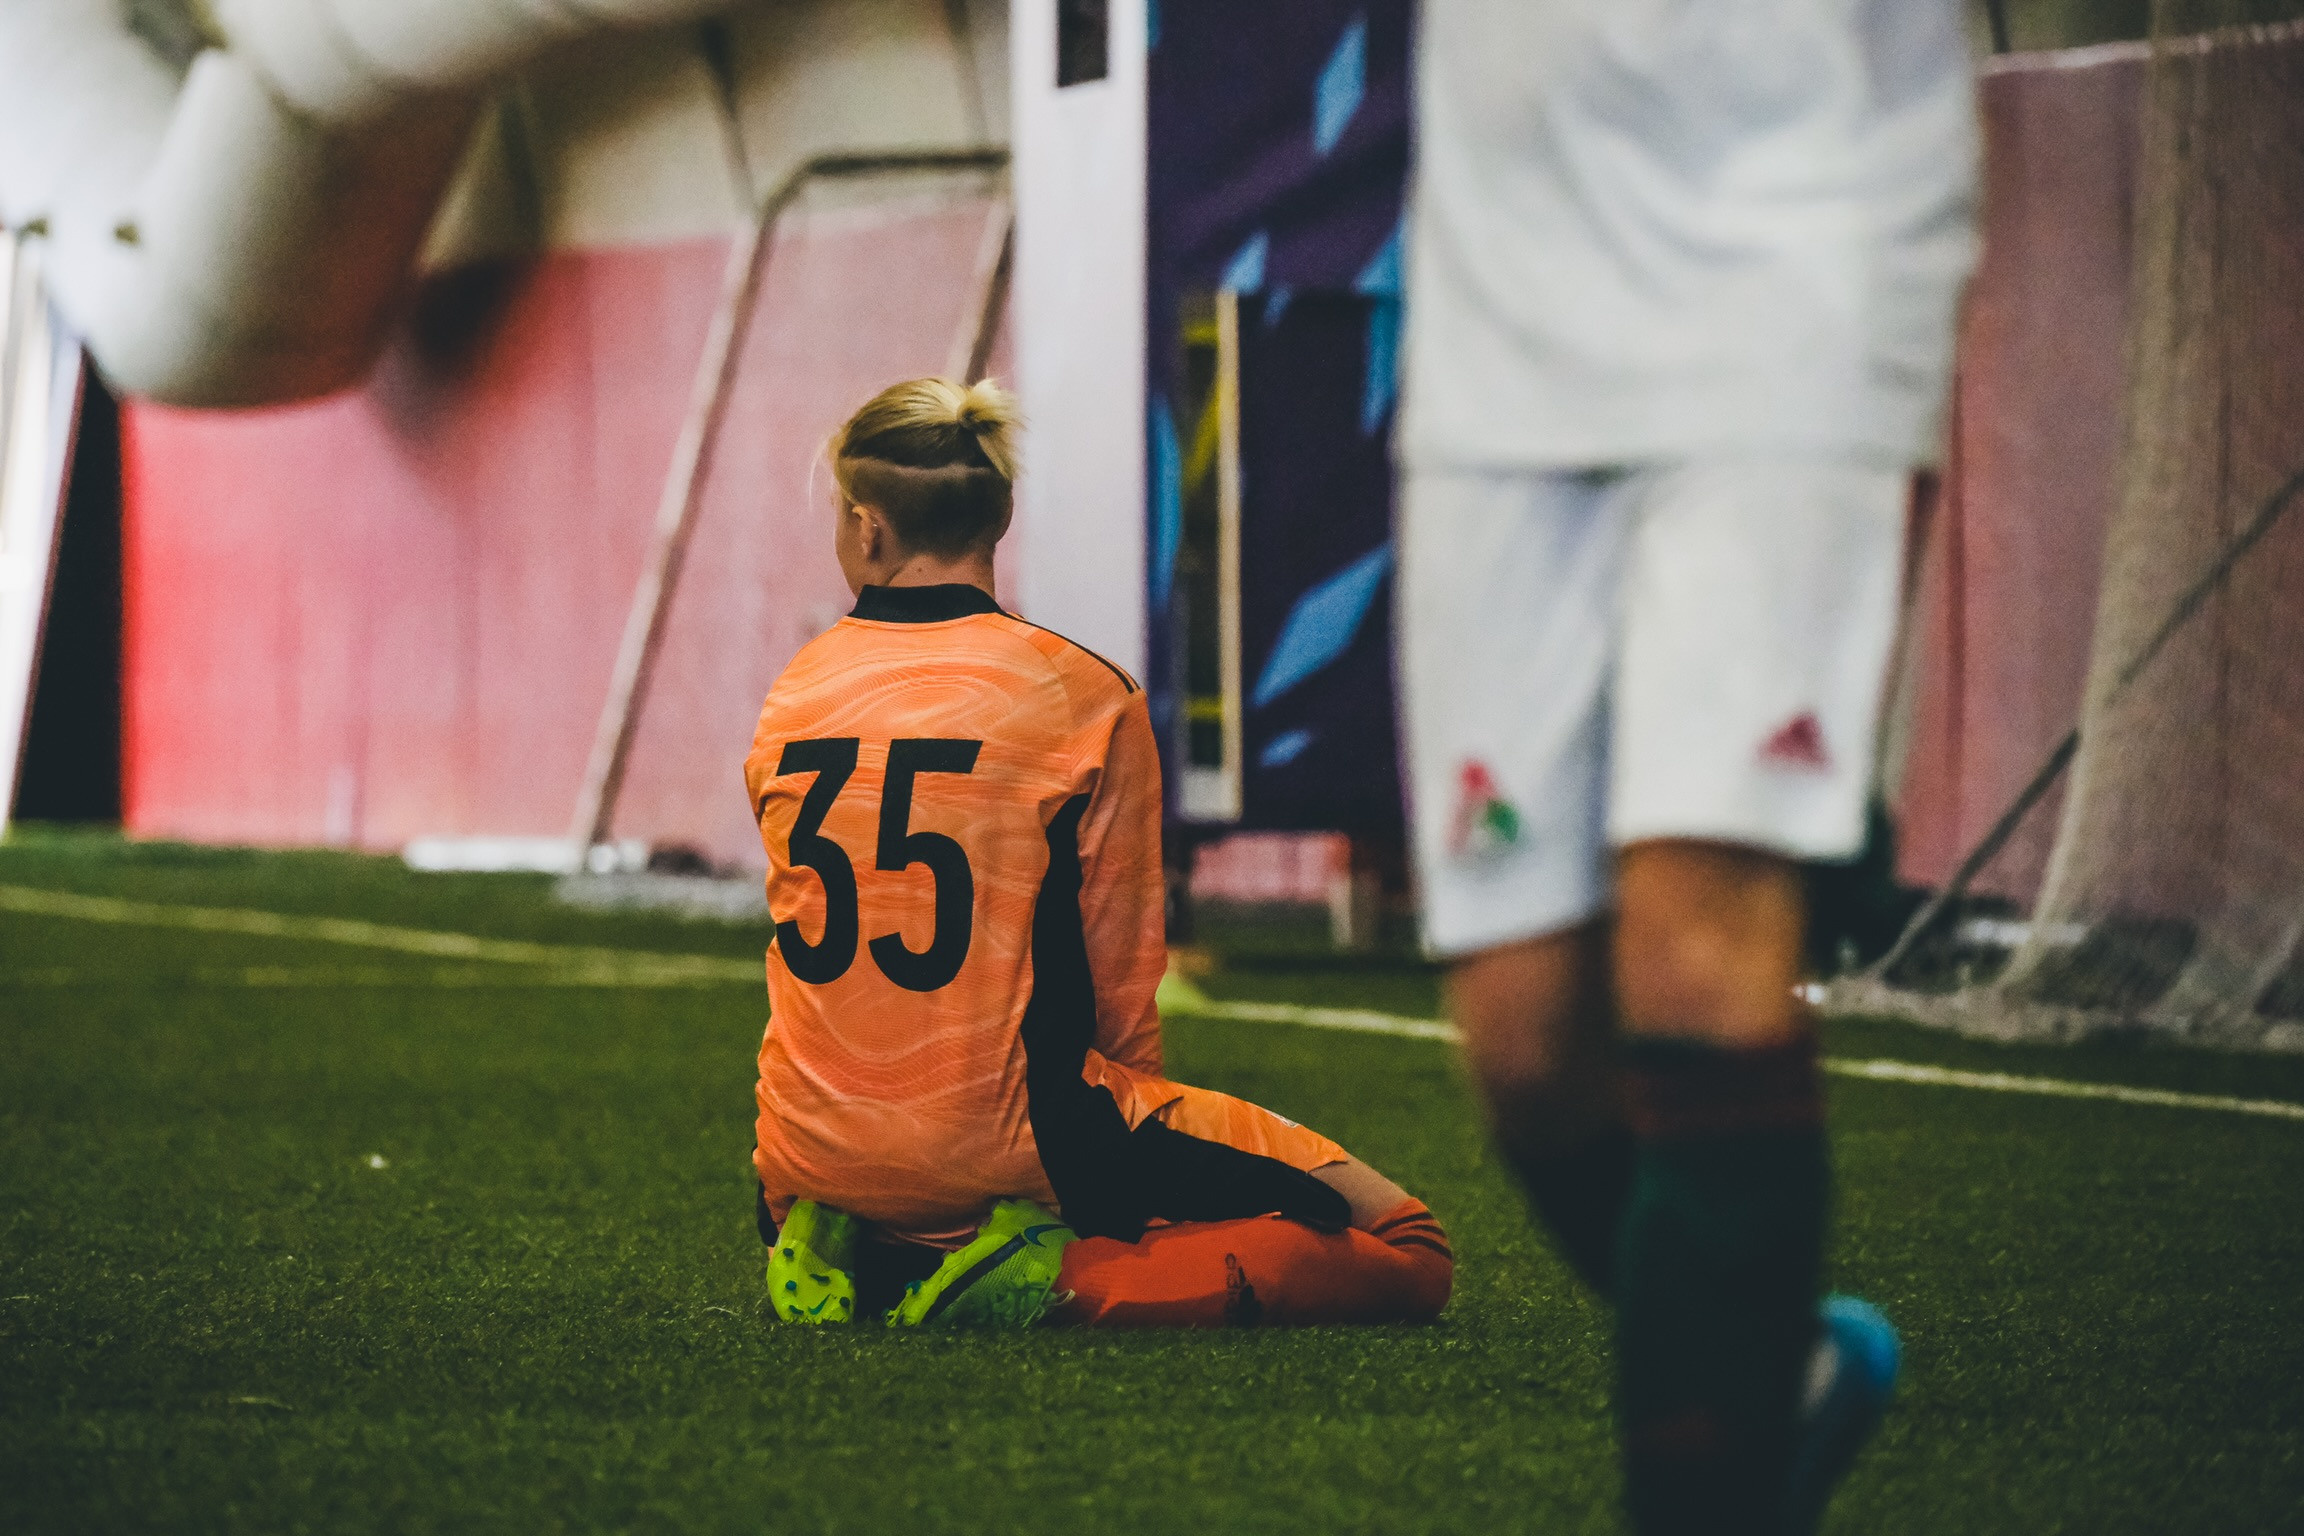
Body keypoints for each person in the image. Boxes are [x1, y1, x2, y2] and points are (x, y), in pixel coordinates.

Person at [1395, 2, 1976, 1531]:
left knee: (1697, 954)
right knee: (1523, 1044)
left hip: (1788, 294)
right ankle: (1765, 1372)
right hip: (1494, 344)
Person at [747, 376, 1451, 1330]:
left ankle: (859, 1248)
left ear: (866, 530)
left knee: (919, 1160)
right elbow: (1123, 985)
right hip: (1020, 1145)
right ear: (999, 515)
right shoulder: (1080, 694)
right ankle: (1052, 1279)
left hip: (800, 1161)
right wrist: (1132, 1185)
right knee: (1410, 1247)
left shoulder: (792, 696)